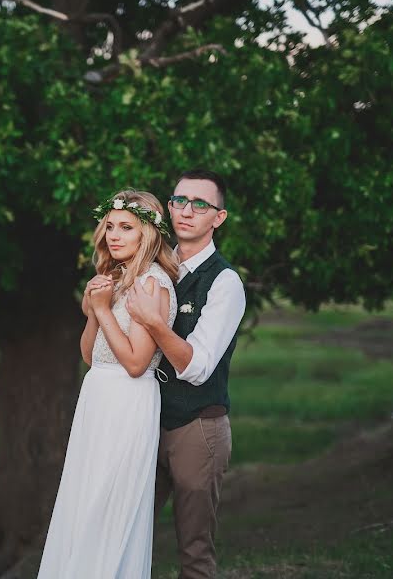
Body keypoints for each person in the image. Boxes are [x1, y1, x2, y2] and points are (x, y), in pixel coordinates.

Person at [37, 189, 180, 579]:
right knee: (83, 500)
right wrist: (92, 312)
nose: (114, 235)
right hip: (96, 397)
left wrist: (103, 311)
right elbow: (90, 354)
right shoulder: (111, 278)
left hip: (127, 400)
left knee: (108, 505)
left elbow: (136, 362)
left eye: (127, 228)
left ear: (148, 234)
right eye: (110, 226)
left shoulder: (153, 284)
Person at [126, 169, 246, 579]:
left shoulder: (224, 282)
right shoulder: (153, 269)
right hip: (145, 421)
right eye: (178, 201)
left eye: (200, 204)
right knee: (125, 531)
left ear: (219, 217)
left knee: (194, 550)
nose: (186, 211)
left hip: (196, 427)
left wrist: (156, 324)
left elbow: (197, 367)